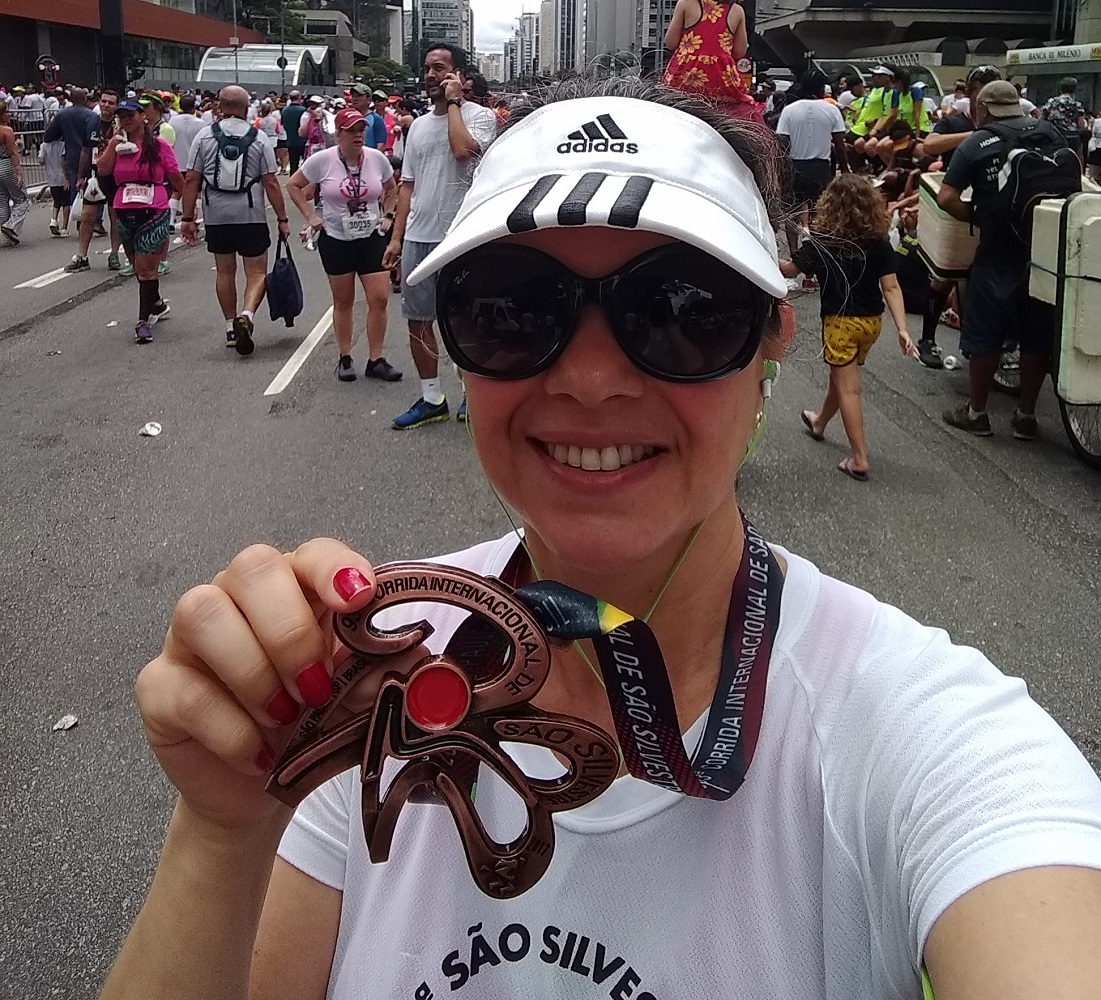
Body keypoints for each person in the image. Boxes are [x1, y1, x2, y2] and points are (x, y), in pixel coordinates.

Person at [101, 77, 1101, 1000]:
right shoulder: (367, 681)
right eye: (510, 309)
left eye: (682, 309)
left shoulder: (922, 737)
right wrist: (221, 832)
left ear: (769, 340)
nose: (588, 379)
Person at [938, 81, 1067, 440]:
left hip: (998, 252)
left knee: (984, 333)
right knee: (1038, 332)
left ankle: (977, 413)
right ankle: (1026, 415)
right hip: (1046, 249)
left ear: (983, 109)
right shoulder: (1051, 133)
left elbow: (946, 198)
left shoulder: (977, 143)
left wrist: (979, 217)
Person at [382, 43, 497, 429]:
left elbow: (463, 150)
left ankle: (472, 396)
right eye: (427, 68)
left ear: (460, 77)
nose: (431, 75)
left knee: (468, 318)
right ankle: (432, 397)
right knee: (418, 320)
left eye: (440, 68)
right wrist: (397, 239)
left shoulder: (481, 118)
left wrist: (453, 105)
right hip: (419, 236)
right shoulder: (415, 127)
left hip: (463, 236)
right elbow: (406, 186)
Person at [781, 174, 918, 479]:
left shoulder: (824, 242)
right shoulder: (879, 242)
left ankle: (859, 458)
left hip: (840, 323)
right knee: (842, 376)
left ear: (829, 205)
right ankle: (818, 422)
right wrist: (903, 329)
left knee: (849, 388)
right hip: (871, 323)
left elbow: (790, 269)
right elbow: (892, 287)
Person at [288, 107, 403, 384]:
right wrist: (311, 216)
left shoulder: (377, 159)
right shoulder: (322, 161)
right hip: (337, 239)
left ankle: (376, 359)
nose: (358, 135)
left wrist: (388, 215)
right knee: (343, 301)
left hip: (371, 238)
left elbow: (391, 188)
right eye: (351, 130)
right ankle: (345, 357)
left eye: (361, 130)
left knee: (379, 298)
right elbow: (293, 185)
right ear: (338, 133)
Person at [180, 85, 291, 356]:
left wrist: (187, 217)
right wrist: (282, 217)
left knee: (224, 271)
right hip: (250, 214)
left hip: (216, 215)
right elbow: (271, 182)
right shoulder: (259, 138)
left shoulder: (205, 137)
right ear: (245, 109)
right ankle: (248, 314)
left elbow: (192, 178)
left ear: (219, 107)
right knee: (256, 272)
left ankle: (231, 326)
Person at [915, 65, 1002, 370]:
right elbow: (928, 145)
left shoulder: (1010, 122)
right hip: (957, 205)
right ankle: (927, 339)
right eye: (982, 90)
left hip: (993, 208)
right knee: (945, 275)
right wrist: (975, 135)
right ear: (971, 92)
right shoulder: (955, 121)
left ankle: (980, 347)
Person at [96, 98, 182, 343]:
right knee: (139, 267)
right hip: (124, 209)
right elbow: (102, 170)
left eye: (130, 115)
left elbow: (177, 179)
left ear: (143, 116)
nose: (126, 120)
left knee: (145, 269)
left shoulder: (159, 145)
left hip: (153, 210)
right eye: (121, 116)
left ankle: (143, 322)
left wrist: (179, 208)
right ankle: (155, 303)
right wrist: (113, 144)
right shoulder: (118, 145)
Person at [776, 70, 849, 256]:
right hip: (820, 168)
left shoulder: (789, 110)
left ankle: (794, 254)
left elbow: (781, 144)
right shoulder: (832, 110)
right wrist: (846, 170)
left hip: (795, 166)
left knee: (791, 213)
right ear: (821, 88)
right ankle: (816, 256)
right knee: (819, 213)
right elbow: (840, 146)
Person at [662, 0, 761, 123]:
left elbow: (671, 43)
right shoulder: (736, 10)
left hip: (686, 72)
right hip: (721, 74)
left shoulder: (686, 3)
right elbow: (739, 52)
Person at [64, 89, 124, 273]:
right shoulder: (92, 122)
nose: (106, 105)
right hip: (95, 177)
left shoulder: (122, 124)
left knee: (115, 217)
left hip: (116, 177)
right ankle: (82, 256)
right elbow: (85, 149)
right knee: (87, 215)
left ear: (116, 106)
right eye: (104, 101)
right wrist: (81, 176)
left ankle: (114, 254)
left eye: (110, 103)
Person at [0, 99, 29, 246]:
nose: (9, 114)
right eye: (7, 112)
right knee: (21, 198)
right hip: (6, 164)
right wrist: (18, 171)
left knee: (2, 200)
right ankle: (10, 224)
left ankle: (7, 235)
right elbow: (13, 153)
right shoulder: (7, 131)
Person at [1041, 77, 1088, 164]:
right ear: (1074, 90)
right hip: (1072, 137)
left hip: (1054, 135)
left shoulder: (1051, 102)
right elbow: (1081, 125)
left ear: (1061, 89)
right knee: (1077, 156)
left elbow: (1042, 119)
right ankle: (1078, 174)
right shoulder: (1077, 104)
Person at [39, 130, 70, 237]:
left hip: (51, 177)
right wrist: (67, 177)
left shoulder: (44, 146)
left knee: (56, 200)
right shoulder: (62, 145)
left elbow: (41, 160)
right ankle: (64, 228)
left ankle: (54, 220)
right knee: (66, 202)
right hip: (62, 176)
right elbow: (63, 161)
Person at [280, 91, 308, 174]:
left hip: (291, 141)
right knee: (305, 165)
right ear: (299, 98)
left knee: (293, 165)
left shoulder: (285, 111)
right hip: (303, 141)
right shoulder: (303, 110)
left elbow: (284, 125)